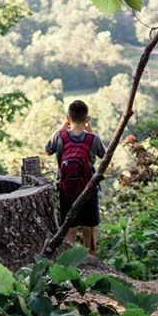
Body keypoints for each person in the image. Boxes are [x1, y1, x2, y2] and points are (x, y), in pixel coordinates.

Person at [45, 99, 105, 254]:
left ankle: (68, 266)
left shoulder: (60, 136)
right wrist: (89, 128)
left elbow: (47, 150)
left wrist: (63, 126)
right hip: (88, 189)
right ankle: (92, 265)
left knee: (69, 228)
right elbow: (103, 155)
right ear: (86, 119)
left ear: (68, 118)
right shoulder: (93, 138)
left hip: (65, 190)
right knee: (88, 229)